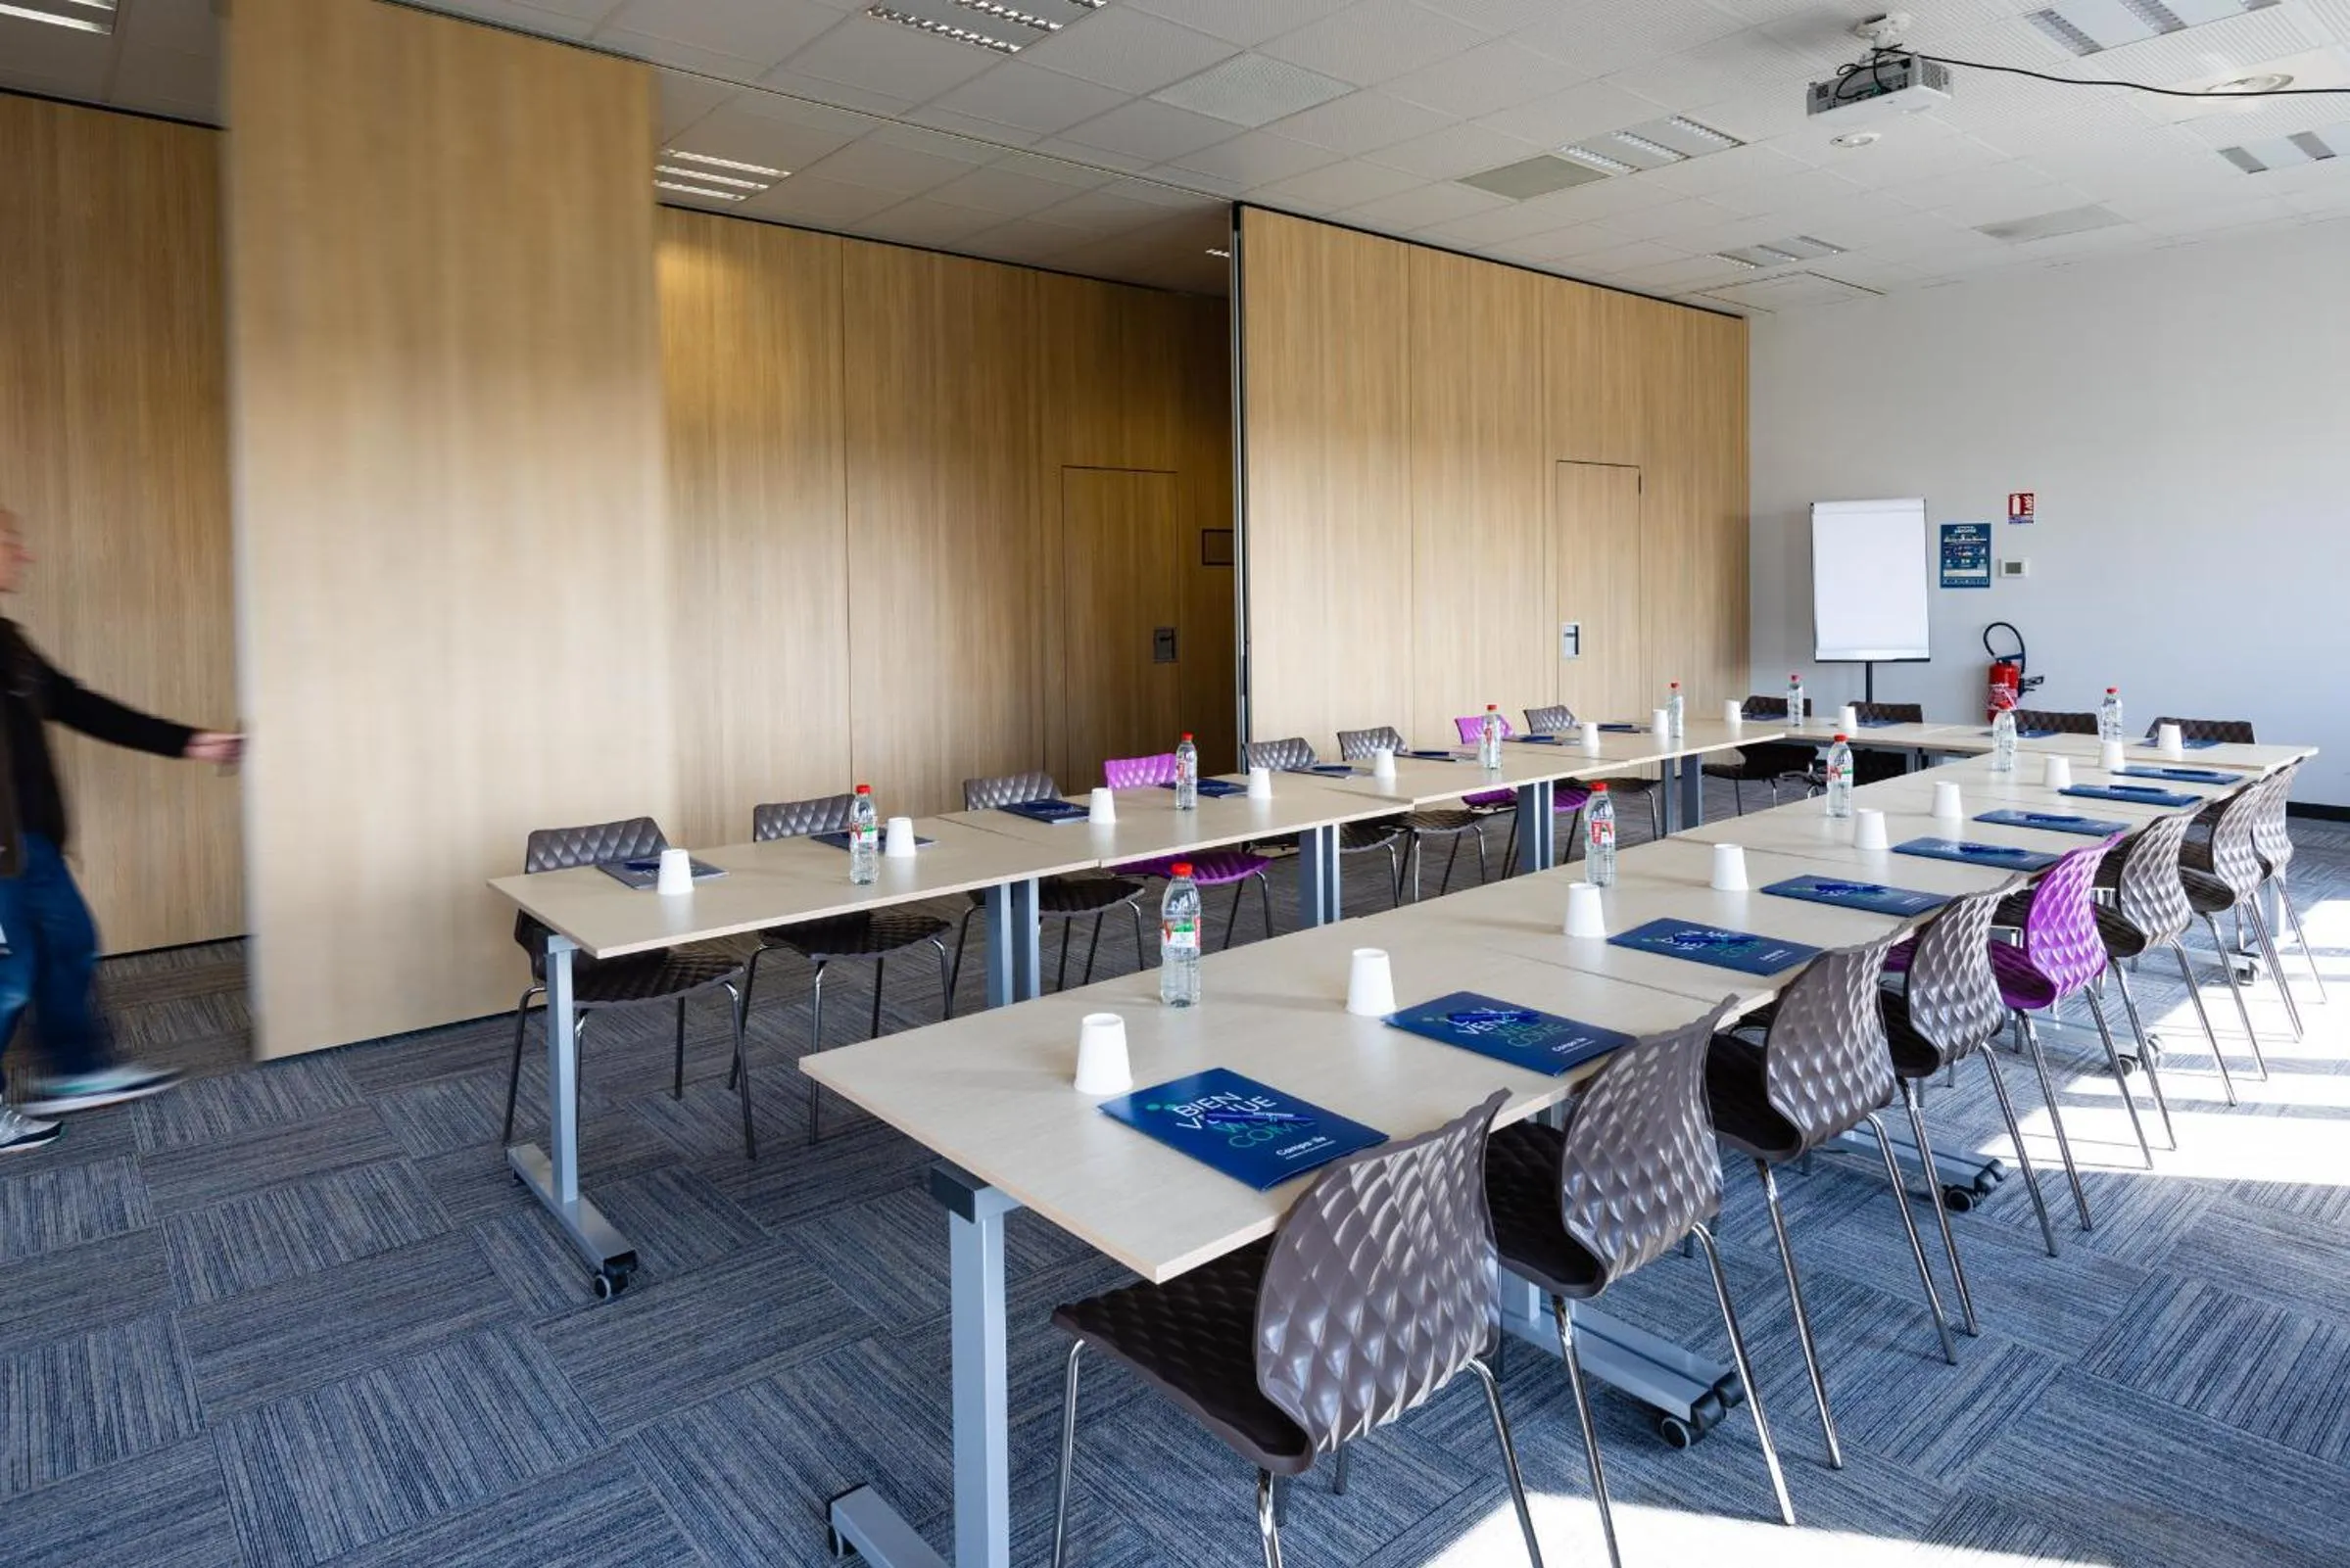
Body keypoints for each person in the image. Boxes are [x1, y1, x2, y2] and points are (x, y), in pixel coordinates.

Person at [0, 508, 242, 1154]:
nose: (23, 556)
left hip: (29, 841)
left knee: (69, 943)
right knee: (9, 978)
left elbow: (78, 704)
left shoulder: (8, 641)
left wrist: (191, 742)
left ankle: (76, 1069)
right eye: (9, 544)